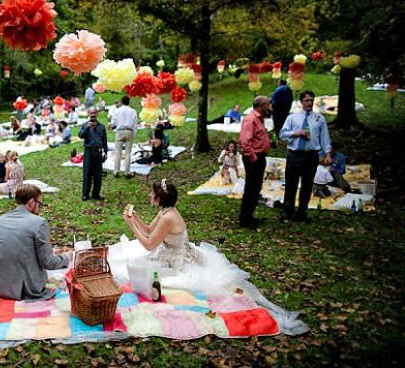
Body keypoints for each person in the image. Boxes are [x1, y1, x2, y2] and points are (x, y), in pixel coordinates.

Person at [106, 179, 308, 336]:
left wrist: (131, 225)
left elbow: (149, 243)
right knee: (127, 261)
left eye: (153, 193)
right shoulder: (165, 211)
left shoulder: (168, 217)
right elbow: (150, 230)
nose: (150, 195)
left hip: (176, 261)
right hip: (167, 252)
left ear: (159, 198)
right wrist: (136, 219)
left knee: (134, 268)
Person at [0, 185, 72, 300]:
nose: (40, 209)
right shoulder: (39, 223)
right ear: (32, 202)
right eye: (40, 205)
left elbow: (17, 248)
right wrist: (67, 257)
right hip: (24, 289)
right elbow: (49, 263)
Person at [279, 90, 332, 222]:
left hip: (311, 155)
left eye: (311, 100)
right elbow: (282, 134)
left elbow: (325, 138)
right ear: (301, 102)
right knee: (291, 184)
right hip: (295, 154)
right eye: (307, 100)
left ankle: (302, 212)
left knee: (307, 185)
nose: (309, 103)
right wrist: (295, 133)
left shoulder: (319, 119)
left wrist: (328, 153)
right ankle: (288, 210)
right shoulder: (292, 118)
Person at [238, 96, 272, 229]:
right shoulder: (250, 119)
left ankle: (249, 216)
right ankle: (245, 219)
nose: (269, 107)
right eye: (268, 104)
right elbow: (245, 141)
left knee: (256, 187)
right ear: (261, 105)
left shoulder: (259, 119)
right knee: (251, 188)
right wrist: (253, 157)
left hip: (259, 156)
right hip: (254, 158)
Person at [78, 107, 107, 201]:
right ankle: (85, 194)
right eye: (91, 113)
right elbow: (80, 135)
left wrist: (105, 152)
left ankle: (96, 194)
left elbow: (104, 140)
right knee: (87, 173)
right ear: (88, 114)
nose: (93, 115)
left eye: (94, 113)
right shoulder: (85, 125)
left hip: (98, 152)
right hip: (88, 151)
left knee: (98, 174)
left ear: (97, 113)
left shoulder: (101, 126)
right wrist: (87, 127)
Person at [111, 95, 138, 178]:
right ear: (129, 102)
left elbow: (113, 123)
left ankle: (116, 171)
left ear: (122, 102)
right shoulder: (133, 111)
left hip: (120, 131)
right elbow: (135, 124)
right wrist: (133, 133)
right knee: (128, 153)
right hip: (129, 130)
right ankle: (127, 171)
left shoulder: (117, 110)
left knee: (118, 151)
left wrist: (113, 127)